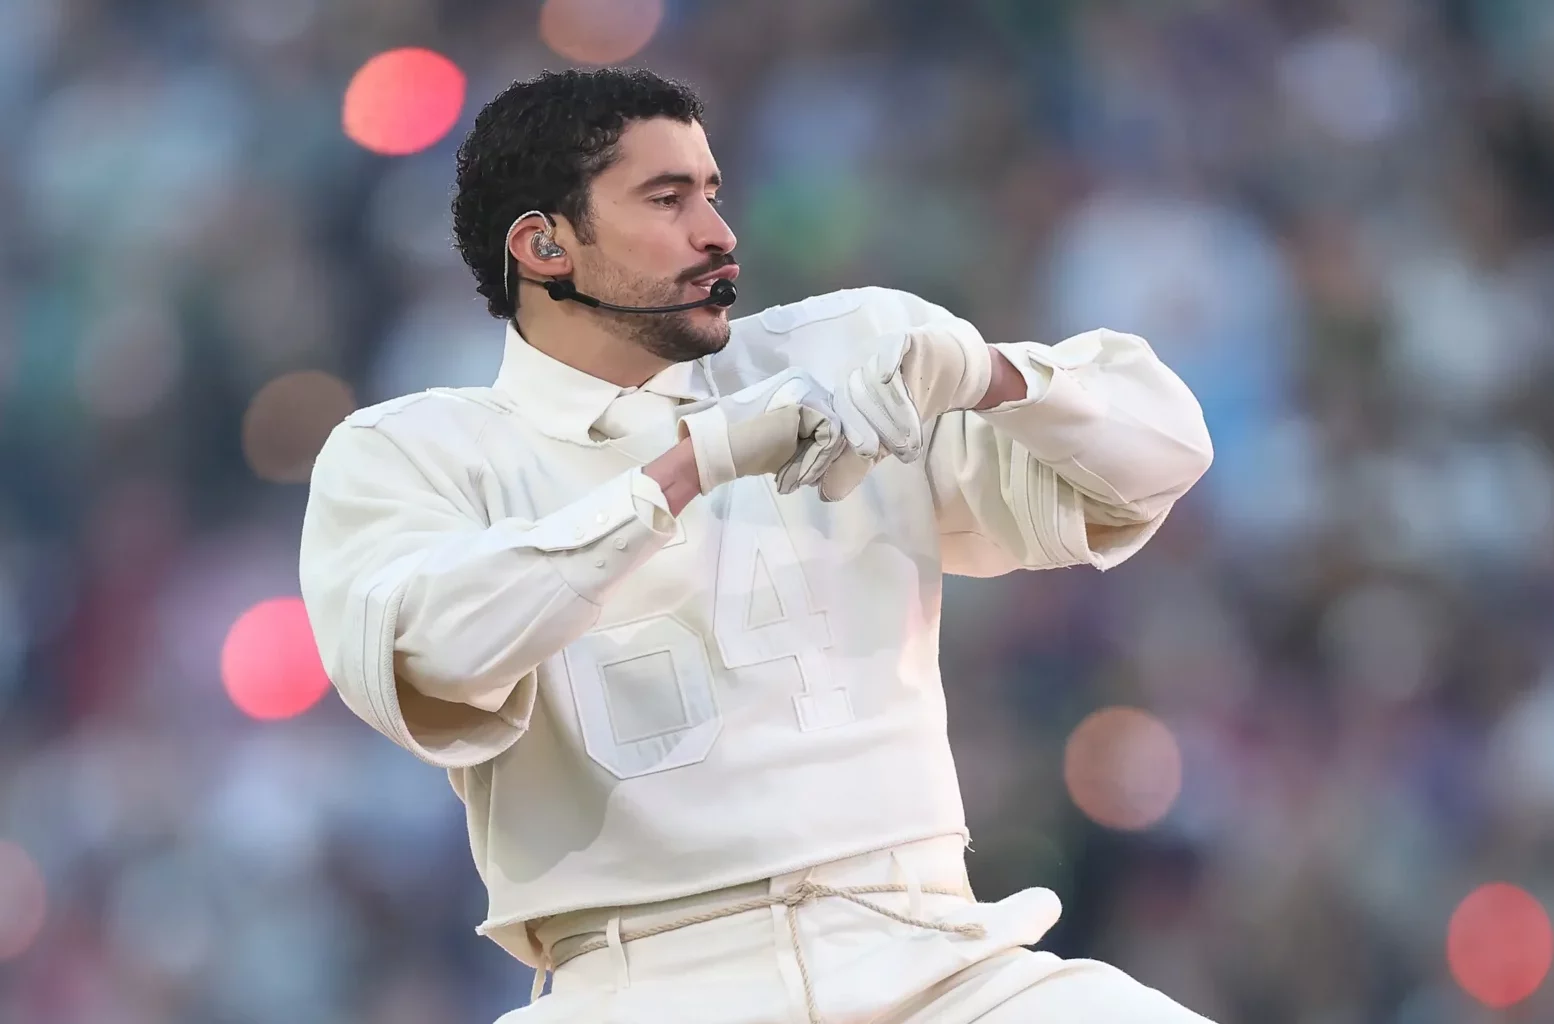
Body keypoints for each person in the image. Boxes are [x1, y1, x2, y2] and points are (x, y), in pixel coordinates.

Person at [299, 66, 1216, 1024]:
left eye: (713, 192)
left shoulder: (847, 351)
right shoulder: (410, 451)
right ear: (543, 245)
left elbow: (1165, 457)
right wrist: (691, 465)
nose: (718, 233)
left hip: (933, 954)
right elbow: (434, 651)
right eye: (667, 199)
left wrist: (991, 374)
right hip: (637, 983)